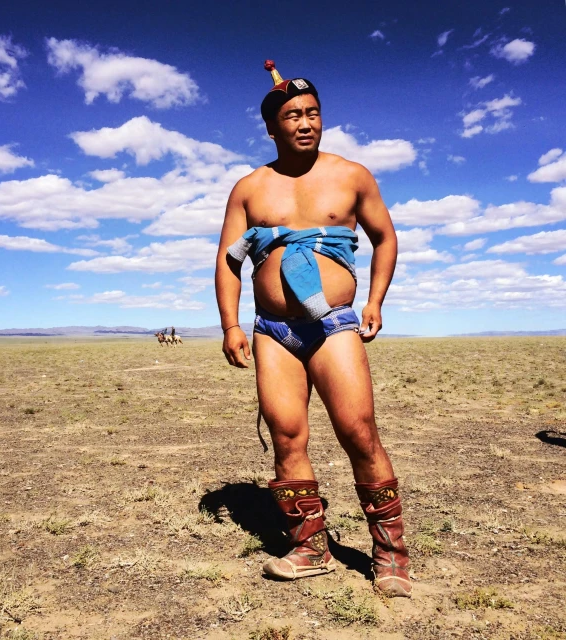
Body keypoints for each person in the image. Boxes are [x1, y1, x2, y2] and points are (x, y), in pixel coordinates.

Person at [214, 61, 411, 598]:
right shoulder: (250, 188)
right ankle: (310, 547)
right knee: (286, 436)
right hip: (272, 329)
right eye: (292, 115)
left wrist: (375, 299)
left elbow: (385, 238)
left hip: (335, 326)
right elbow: (229, 261)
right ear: (272, 127)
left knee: (359, 432)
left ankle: (391, 554)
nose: (305, 122)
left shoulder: (351, 175)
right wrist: (230, 323)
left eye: (313, 113)